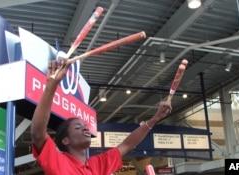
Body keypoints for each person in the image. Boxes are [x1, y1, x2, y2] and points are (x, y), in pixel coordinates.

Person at [31, 59, 172, 175]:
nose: (86, 129)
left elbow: (127, 144)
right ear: (65, 140)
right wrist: (51, 85)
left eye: (85, 126)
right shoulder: (58, 161)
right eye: (78, 127)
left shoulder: (97, 165)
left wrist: (155, 118)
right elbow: (38, 134)